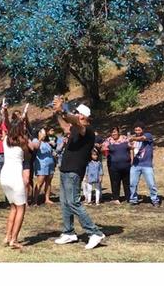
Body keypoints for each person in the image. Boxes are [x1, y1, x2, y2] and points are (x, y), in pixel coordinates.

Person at [52, 97, 105, 249]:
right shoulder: (75, 128)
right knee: (65, 203)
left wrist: (63, 110)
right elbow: (65, 127)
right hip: (65, 170)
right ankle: (68, 232)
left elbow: (72, 120)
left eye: (77, 113)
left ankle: (95, 232)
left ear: (82, 116)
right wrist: (57, 113)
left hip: (74, 172)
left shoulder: (87, 130)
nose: (75, 114)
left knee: (73, 202)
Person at [0, 118, 30, 250]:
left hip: (4, 176)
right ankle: (14, 239)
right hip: (15, 178)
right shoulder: (23, 143)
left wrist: (4, 114)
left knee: (13, 207)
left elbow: (5, 125)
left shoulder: (5, 140)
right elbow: (30, 152)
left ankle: (7, 237)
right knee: (21, 208)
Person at [128, 121, 160, 207]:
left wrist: (133, 138)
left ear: (143, 129)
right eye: (136, 130)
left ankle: (155, 199)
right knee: (132, 183)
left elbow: (142, 138)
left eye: (139, 130)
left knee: (151, 183)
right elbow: (132, 149)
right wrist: (131, 158)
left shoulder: (148, 135)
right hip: (135, 164)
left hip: (146, 164)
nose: (137, 132)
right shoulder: (134, 139)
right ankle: (133, 199)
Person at [102, 126, 131, 204]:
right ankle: (116, 198)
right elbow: (103, 149)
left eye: (115, 131)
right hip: (113, 166)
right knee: (115, 182)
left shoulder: (125, 138)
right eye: (112, 132)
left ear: (118, 132)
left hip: (126, 165)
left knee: (127, 182)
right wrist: (104, 149)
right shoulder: (108, 140)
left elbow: (131, 148)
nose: (113, 133)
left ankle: (129, 197)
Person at [32, 128, 56, 205]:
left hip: (50, 164)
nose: (44, 134)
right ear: (39, 133)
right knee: (40, 182)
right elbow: (35, 147)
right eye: (42, 132)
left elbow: (52, 151)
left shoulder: (47, 142)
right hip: (42, 165)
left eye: (44, 132)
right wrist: (39, 139)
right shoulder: (35, 140)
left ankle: (47, 199)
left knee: (48, 182)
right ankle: (35, 200)